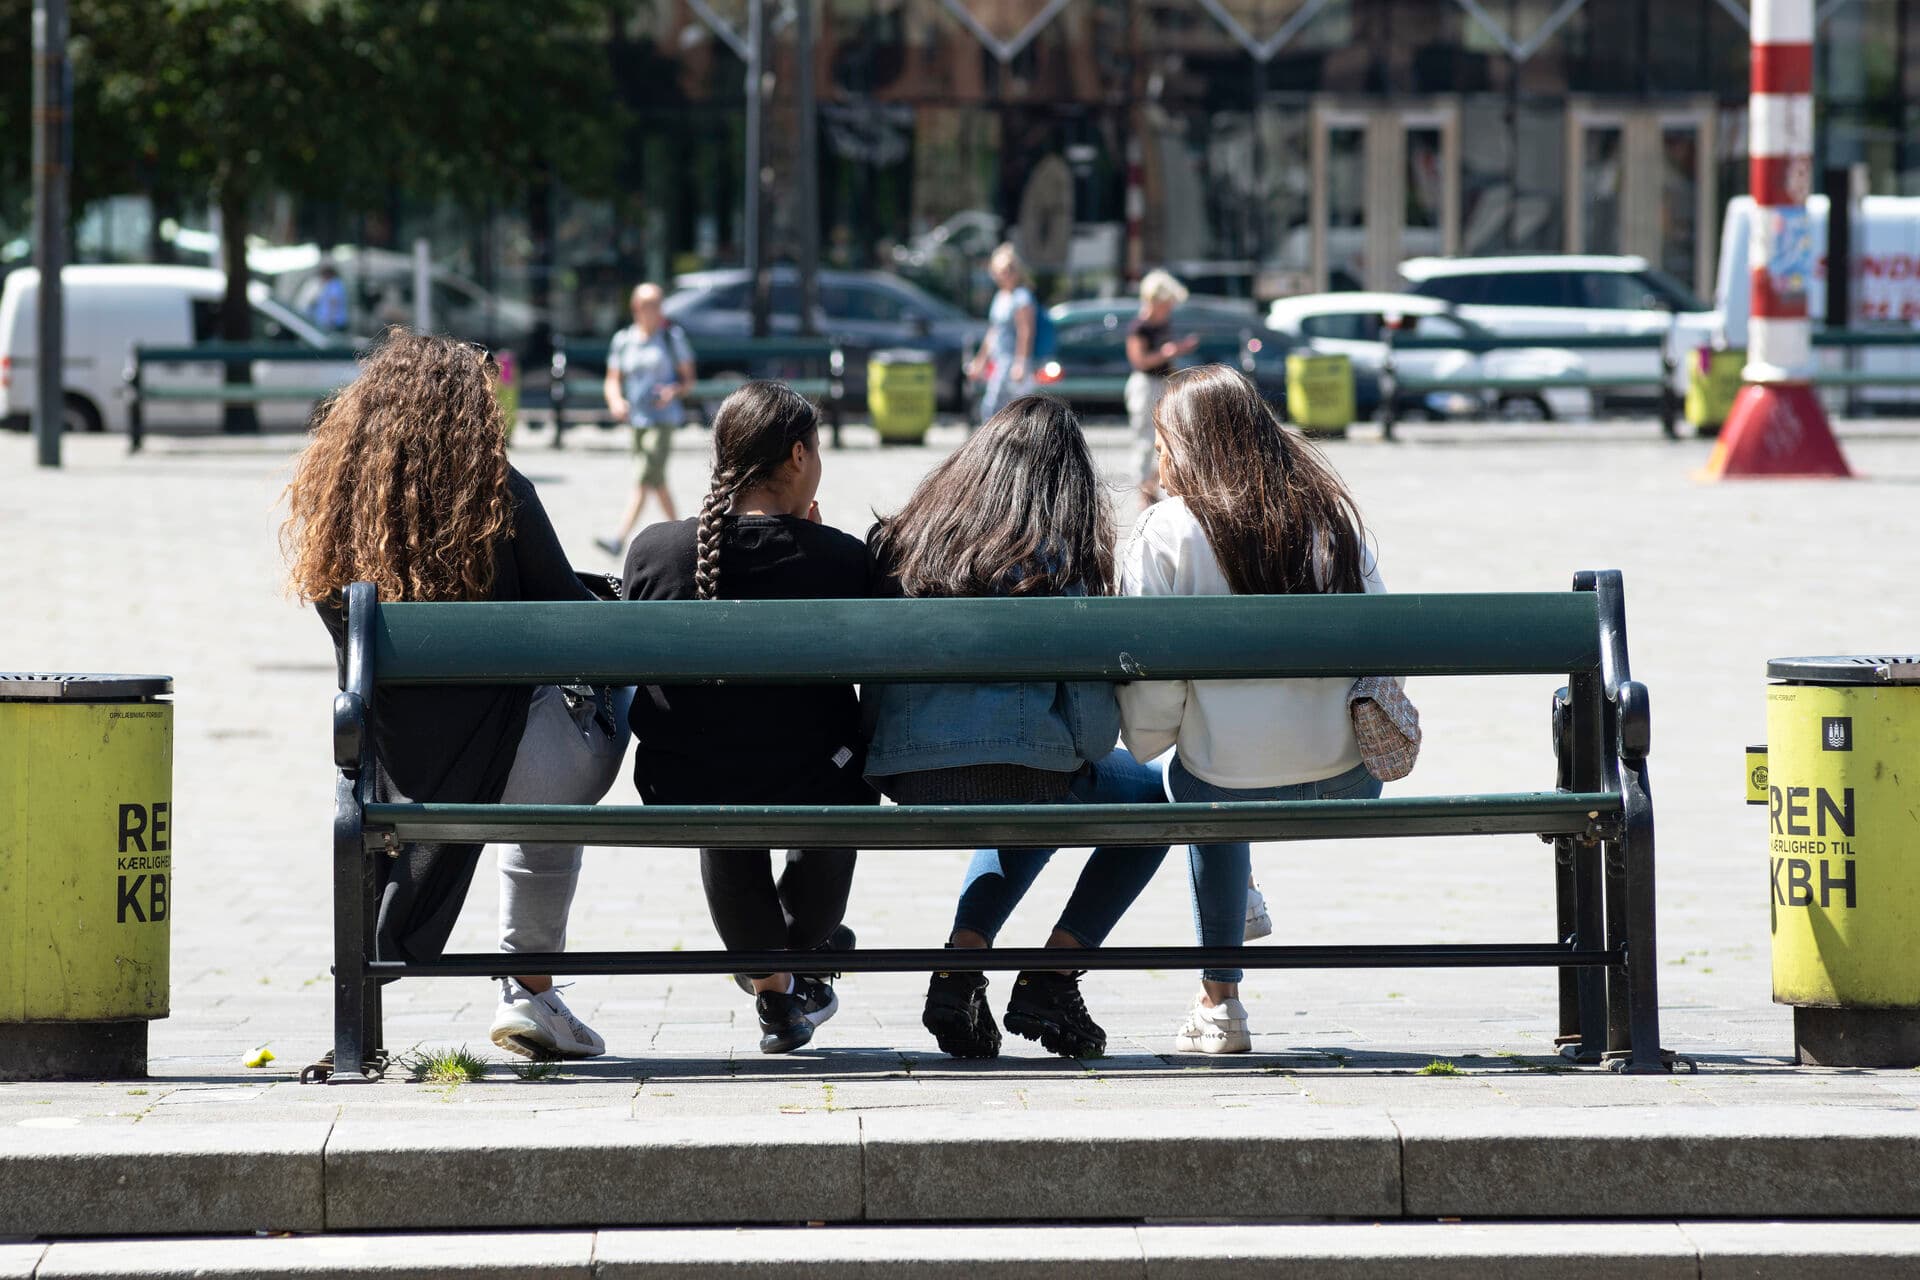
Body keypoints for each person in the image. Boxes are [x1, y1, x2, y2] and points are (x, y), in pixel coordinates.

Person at [282, 332, 630, 1061]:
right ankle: (530, 989)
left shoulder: (337, 513)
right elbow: (577, 631)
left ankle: (364, 1032)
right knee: (589, 719)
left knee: (530, 736)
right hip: (525, 769)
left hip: (399, 776)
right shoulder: (501, 493)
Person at [864, 394, 1169, 1061]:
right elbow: (1089, 736)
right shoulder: (1057, 560)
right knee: (1150, 798)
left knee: (1035, 782)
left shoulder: (910, 540)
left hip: (910, 775)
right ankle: (1054, 973)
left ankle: (962, 965)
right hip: (1026, 775)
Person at [1117, 364, 1385, 1056]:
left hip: (1226, 782)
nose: (1158, 458)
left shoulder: (1167, 529)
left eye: (1162, 441)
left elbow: (1152, 681)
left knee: (1197, 777)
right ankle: (1245, 900)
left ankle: (1220, 1003)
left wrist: (1154, 739)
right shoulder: (1328, 515)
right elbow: (1387, 641)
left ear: (1193, 444)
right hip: (1348, 775)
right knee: (1216, 769)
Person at [621, 381, 874, 1055]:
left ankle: (775, 987)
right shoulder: (844, 560)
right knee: (835, 779)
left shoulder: (654, 551)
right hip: (818, 781)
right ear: (798, 456)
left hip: (685, 781)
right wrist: (818, 549)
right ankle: (798, 958)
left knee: (722, 796)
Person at [596, 283, 697, 557]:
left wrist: (672, 391)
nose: (653, 310)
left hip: (663, 419)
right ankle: (685, 536)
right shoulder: (624, 340)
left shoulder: (671, 338)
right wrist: (616, 401)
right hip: (637, 419)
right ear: (635, 308)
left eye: (657, 304)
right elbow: (612, 379)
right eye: (647, 304)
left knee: (645, 476)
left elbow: (688, 380)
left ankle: (619, 537)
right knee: (656, 480)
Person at [1125, 270, 1199, 509]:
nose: (1169, 309)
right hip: (1145, 385)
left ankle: (1153, 486)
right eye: (1166, 304)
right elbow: (1139, 361)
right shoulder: (1140, 328)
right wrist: (1166, 353)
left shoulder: (1163, 324)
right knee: (1146, 439)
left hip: (1163, 383)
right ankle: (1144, 492)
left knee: (1169, 438)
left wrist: (1177, 352)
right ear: (1155, 301)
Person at [967, 244, 1037, 422]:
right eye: (1002, 270)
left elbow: (1026, 331)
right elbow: (994, 331)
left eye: (1010, 269)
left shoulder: (1022, 297)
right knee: (996, 407)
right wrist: (981, 360)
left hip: (1012, 361)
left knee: (999, 407)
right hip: (999, 361)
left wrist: (1021, 362)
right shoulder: (1000, 296)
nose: (1006, 274)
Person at [309, 263, 350, 334]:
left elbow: (334, 302)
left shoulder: (334, 284)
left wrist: (330, 321)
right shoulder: (330, 285)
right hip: (330, 323)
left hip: (333, 324)